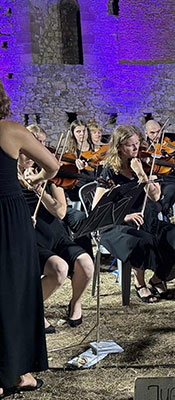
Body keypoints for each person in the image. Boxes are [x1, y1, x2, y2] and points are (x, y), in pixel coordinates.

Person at [0, 80, 59, 396]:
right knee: (15, 290)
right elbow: (52, 165)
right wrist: (37, 178)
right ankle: (16, 373)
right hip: (8, 216)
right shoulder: (10, 130)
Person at [92, 125, 175, 303]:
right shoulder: (109, 171)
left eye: (137, 143)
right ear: (119, 147)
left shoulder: (144, 166)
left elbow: (155, 197)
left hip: (146, 220)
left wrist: (142, 175)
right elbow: (97, 208)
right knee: (142, 240)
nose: (135, 148)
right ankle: (139, 283)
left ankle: (157, 279)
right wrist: (125, 217)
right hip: (117, 225)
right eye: (130, 145)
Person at [20, 125, 94, 333]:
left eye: (43, 143)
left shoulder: (49, 173)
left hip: (55, 234)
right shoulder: (9, 175)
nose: (41, 148)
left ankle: (75, 303)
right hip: (30, 239)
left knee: (86, 264)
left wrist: (40, 189)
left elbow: (60, 212)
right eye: (36, 142)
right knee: (59, 269)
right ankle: (33, 308)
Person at [144, 119, 175, 217]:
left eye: (158, 132)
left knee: (170, 191)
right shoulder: (143, 147)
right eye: (152, 133)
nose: (157, 135)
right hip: (150, 180)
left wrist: (172, 162)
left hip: (168, 179)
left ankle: (163, 214)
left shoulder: (170, 147)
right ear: (146, 133)